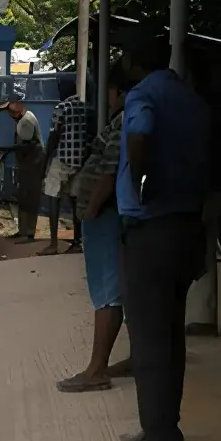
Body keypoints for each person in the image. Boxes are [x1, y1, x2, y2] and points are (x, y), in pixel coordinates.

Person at [103, 37, 210, 441]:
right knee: (170, 335)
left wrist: (142, 179)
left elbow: (141, 132)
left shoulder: (143, 94)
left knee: (148, 338)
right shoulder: (189, 97)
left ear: (133, 61)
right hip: (186, 225)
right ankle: (162, 428)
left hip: (150, 229)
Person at [56, 71, 133, 393]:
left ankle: (96, 370)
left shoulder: (124, 122)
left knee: (107, 292)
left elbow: (108, 171)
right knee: (118, 288)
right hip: (109, 212)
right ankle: (133, 357)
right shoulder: (126, 120)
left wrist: (91, 208)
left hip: (105, 213)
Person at [39, 78, 88, 255]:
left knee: (53, 196)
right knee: (75, 200)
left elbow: (54, 136)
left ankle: (53, 244)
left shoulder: (62, 108)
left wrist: (46, 161)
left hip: (63, 159)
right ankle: (77, 242)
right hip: (80, 160)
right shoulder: (85, 107)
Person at [0, 75, 45, 243]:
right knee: (23, 197)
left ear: (17, 104)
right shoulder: (24, 119)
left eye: (10, 108)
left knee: (29, 198)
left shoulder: (26, 121)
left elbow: (26, 145)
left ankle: (28, 233)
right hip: (28, 164)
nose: (9, 113)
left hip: (33, 164)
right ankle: (23, 230)